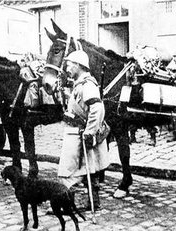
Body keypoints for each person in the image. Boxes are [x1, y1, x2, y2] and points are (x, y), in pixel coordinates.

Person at [57, 50, 110, 211]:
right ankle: (93, 202)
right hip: (76, 132)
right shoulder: (80, 83)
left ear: (79, 65)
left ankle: (68, 206)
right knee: (90, 168)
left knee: (67, 171)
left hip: (80, 134)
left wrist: (89, 132)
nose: (67, 68)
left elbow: (97, 108)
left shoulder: (87, 84)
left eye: (69, 64)